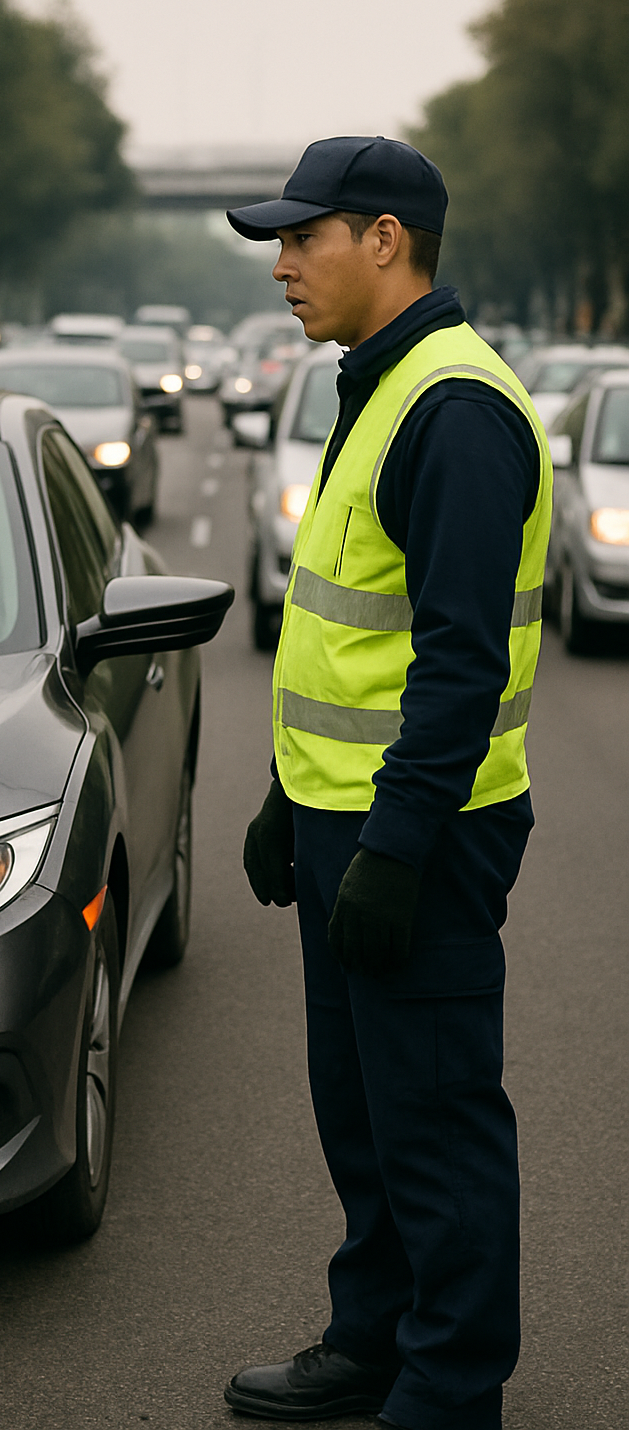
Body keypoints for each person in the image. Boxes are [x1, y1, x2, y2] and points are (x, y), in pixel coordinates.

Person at [222, 137, 552, 1430]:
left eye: (306, 239)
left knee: (436, 1118)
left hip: (421, 829)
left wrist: (399, 844)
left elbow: (461, 663)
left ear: (386, 242)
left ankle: (452, 1386)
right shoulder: (386, 382)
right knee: (363, 1111)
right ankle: (375, 1338)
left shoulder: (454, 409)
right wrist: (285, 798)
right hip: (340, 815)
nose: (285, 266)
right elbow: (357, 633)